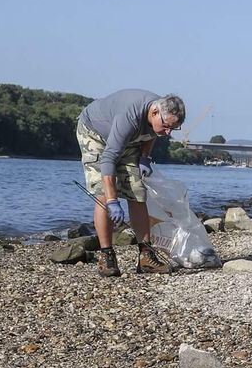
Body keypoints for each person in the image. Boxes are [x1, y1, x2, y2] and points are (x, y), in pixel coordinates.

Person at [77, 89, 185, 278]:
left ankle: (146, 256)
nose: (168, 133)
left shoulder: (157, 115)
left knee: (137, 192)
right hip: (95, 134)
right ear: (154, 113)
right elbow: (108, 158)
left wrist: (145, 157)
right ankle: (107, 255)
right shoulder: (129, 117)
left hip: (127, 141)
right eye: (167, 126)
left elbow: (153, 133)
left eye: (173, 129)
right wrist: (112, 201)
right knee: (103, 193)